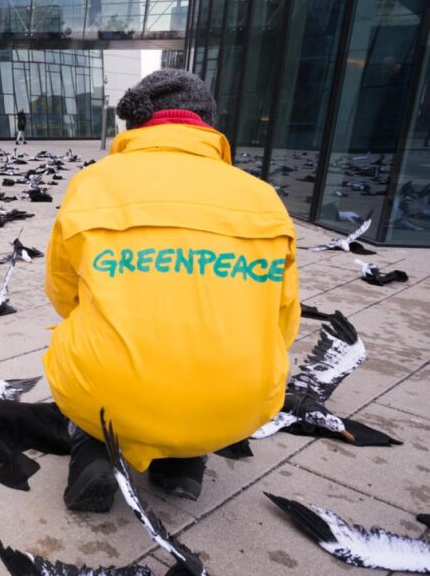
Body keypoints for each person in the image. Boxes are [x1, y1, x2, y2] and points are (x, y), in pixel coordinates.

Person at [43, 69, 300, 512]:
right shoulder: (263, 197)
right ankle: (183, 463)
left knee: (78, 342)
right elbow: (283, 321)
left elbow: (63, 295)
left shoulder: (93, 184)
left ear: (137, 124)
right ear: (208, 124)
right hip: (238, 404)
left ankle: (94, 451)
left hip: (108, 396)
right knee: (201, 364)